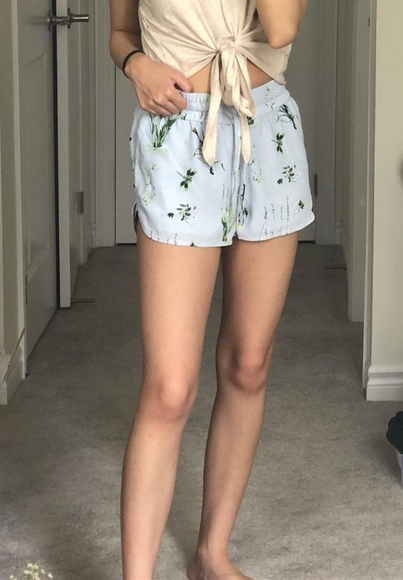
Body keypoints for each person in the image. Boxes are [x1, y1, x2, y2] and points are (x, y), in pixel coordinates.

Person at [109, 1, 312, 578]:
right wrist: (136, 65)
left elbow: (281, 29)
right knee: (169, 388)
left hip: (267, 127)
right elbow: (120, 31)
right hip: (178, 133)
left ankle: (211, 554)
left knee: (249, 365)